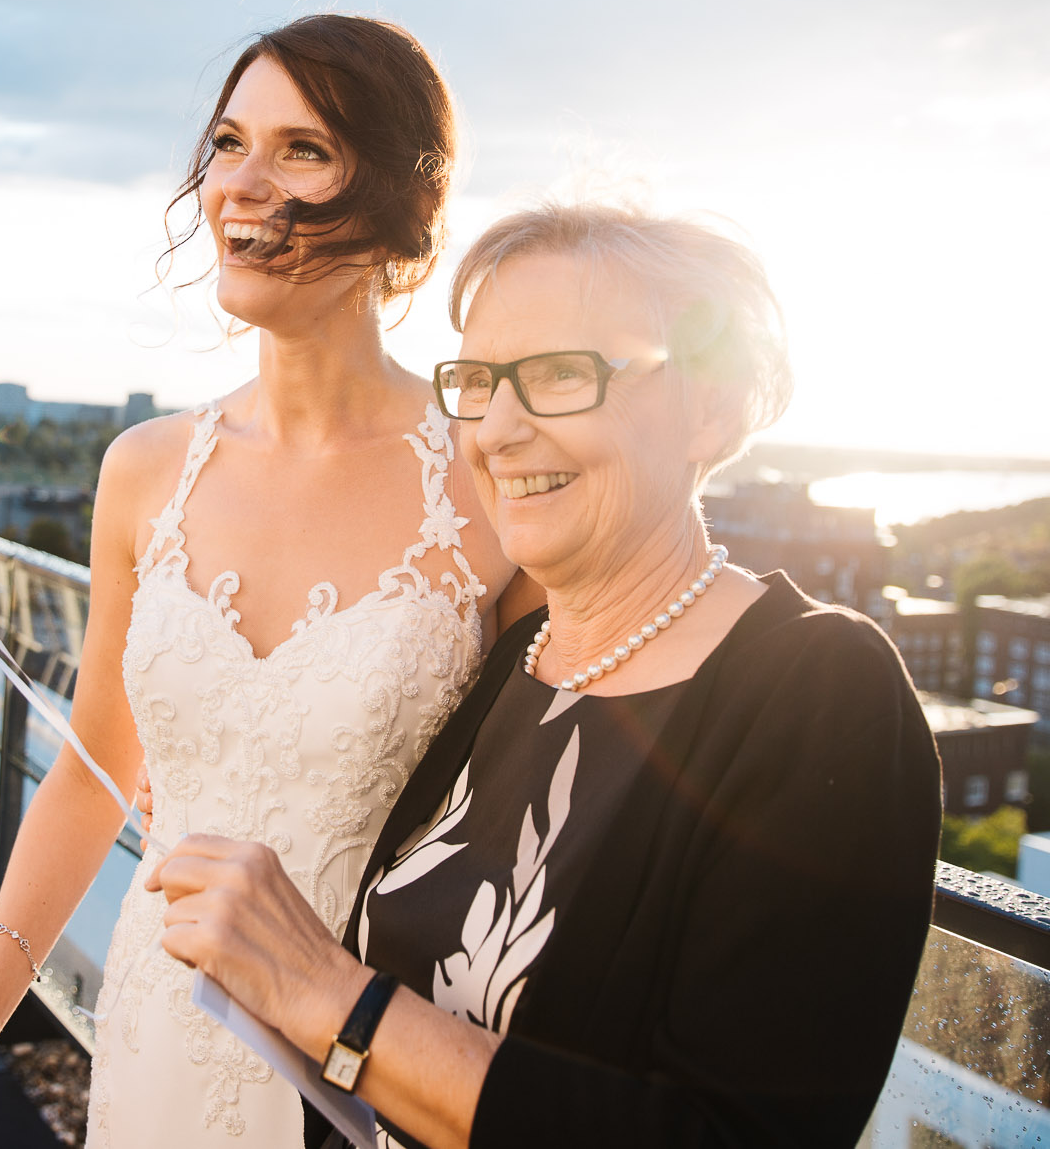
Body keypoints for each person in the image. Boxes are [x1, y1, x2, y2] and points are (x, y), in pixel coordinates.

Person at [143, 204, 944, 1149]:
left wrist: (334, 999)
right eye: (477, 383)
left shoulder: (820, 692)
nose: (496, 431)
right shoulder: (512, 669)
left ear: (712, 408)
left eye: (562, 375)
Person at [0, 17, 534, 1149]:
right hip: (153, 1031)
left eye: (302, 150)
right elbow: (93, 776)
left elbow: (532, 831)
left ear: (397, 202)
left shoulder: (489, 483)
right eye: (230, 142)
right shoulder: (144, 472)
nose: (243, 181)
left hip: (371, 1070)